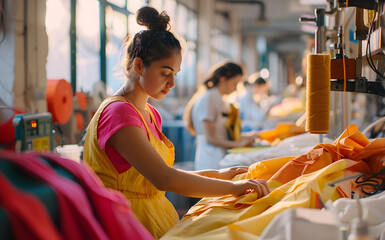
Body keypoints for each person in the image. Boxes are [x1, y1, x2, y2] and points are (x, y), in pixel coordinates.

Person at [83, 7, 269, 239]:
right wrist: (232, 189)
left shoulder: (149, 113)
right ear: (139, 66)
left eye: (176, 74)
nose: (171, 83)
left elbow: (161, 173)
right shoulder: (119, 113)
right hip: (123, 224)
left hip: (150, 217)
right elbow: (164, 179)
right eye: (165, 73)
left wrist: (221, 174)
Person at [183, 62, 257, 171]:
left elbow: (221, 132)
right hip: (210, 160)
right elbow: (210, 138)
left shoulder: (220, 98)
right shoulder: (209, 98)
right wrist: (238, 144)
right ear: (223, 79)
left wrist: (244, 137)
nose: (236, 89)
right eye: (234, 83)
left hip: (219, 157)